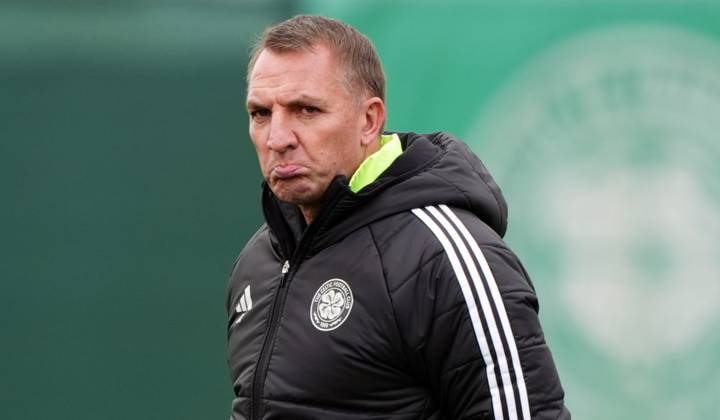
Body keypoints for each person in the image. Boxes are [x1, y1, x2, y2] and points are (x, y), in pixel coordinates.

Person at [226, 15, 570, 420]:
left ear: (369, 121)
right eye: (261, 113)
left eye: (306, 110)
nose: (277, 138)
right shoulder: (258, 261)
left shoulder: (445, 257)